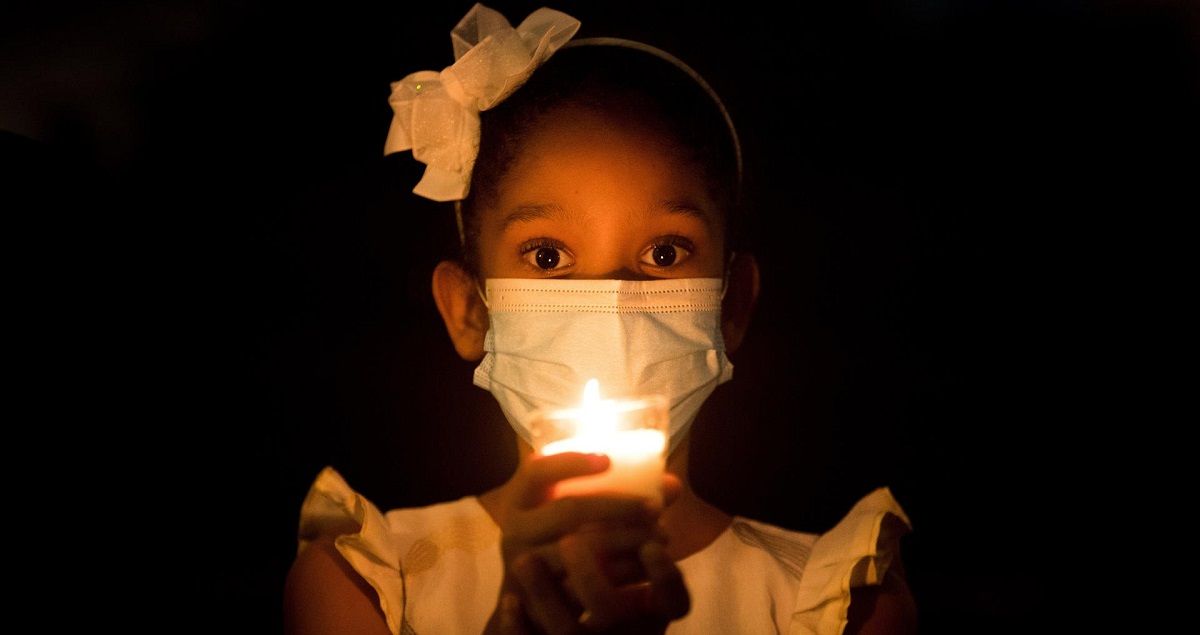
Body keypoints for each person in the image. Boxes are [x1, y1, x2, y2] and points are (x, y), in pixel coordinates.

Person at [284, 4, 915, 634]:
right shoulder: (368, 584)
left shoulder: (837, 605)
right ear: (469, 311)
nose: (612, 297)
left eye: (663, 253)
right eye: (548, 255)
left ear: (733, 306)